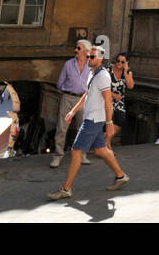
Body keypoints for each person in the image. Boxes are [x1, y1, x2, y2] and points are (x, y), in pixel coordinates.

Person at [48, 45, 129, 199]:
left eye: (92, 57)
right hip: (92, 118)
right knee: (100, 150)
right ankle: (120, 175)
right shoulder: (92, 73)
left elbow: (107, 101)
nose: (88, 59)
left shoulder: (103, 76)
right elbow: (87, 94)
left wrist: (110, 123)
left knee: (76, 151)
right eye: (88, 56)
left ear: (99, 59)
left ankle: (66, 189)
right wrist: (73, 111)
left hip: (94, 120)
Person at [52, 38, 91, 167]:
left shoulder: (91, 66)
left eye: (78, 48)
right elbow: (59, 83)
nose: (75, 50)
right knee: (62, 128)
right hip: (68, 98)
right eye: (76, 48)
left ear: (86, 51)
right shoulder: (68, 64)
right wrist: (68, 90)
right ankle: (57, 156)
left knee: (83, 129)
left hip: (83, 99)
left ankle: (82, 155)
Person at [108, 53, 134, 143]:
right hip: (107, 99)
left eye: (122, 62)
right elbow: (100, 86)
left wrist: (126, 71)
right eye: (118, 61)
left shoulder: (128, 72)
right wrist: (113, 94)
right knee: (108, 122)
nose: (119, 63)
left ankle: (105, 142)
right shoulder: (108, 70)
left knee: (121, 120)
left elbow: (130, 86)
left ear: (126, 63)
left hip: (119, 102)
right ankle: (107, 145)